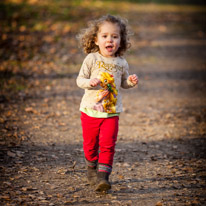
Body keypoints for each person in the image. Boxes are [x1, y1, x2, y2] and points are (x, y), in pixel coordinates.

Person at [76, 14, 138, 192]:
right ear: (96, 40)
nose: (109, 40)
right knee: (90, 145)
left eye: (115, 36)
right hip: (90, 111)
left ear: (121, 41)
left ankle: (103, 178)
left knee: (108, 144)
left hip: (111, 112)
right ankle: (91, 168)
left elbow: (123, 83)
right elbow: (80, 80)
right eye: (105, 36)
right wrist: (90, 82)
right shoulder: (92, 59)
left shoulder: (121, 63)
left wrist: (131, 82)